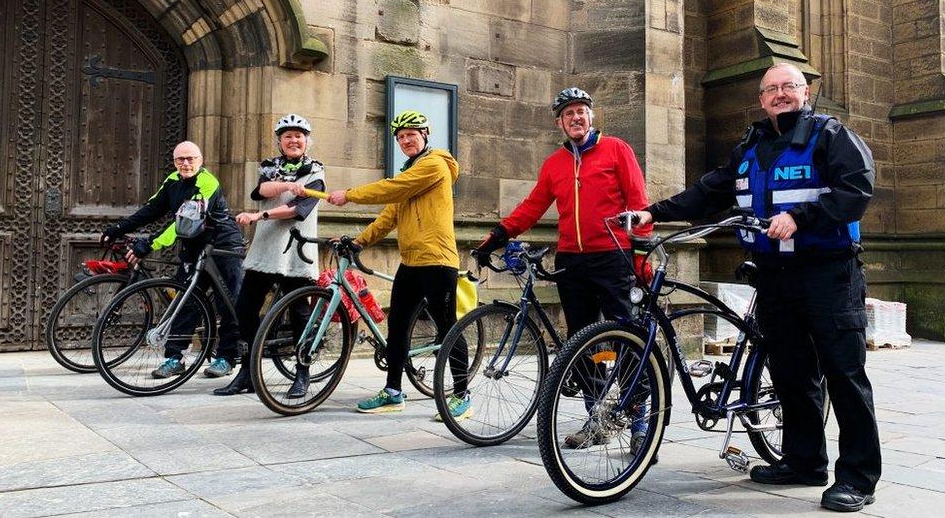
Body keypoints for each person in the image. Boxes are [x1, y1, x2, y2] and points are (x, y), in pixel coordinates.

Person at [630, 63, 880, 513]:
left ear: (804, 92)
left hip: (828, 273)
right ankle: (804, 461)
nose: (780, 95)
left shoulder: (830, 135)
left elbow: (856, 187)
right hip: (774, 276)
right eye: (772, 90)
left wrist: (801, 218)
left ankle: (858, 476)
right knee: (790, 372)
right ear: (762, 99)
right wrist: (654, 212)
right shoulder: (751, 145)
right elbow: (711, 192)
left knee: (844, 373)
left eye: (789, 87)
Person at [473, 87, 652, 448]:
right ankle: (597, 417)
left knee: (627, 338)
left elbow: (639, 204)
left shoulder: (617, 150)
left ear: (592, 116)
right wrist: (498, 234)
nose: (576, 117)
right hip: (572, 260)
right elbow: (533, 206)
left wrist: (640, 258)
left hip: (612, 257)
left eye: (582, 111)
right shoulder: (554, 164)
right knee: (582, 343)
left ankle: (638, 423)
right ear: (559, 123)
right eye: (569, 113)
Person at [326, 110, 470, 418]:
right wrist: (359, 241)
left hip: (438, 260)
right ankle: (393, 392)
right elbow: (388, 217)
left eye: (411, 134)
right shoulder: (409, 174)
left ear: (425, 136)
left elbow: (390, 189)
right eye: (401, 137)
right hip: (411, 262)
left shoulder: (433, 165)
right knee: (398, 326)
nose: (406, 140)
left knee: (447, 327)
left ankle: (462, 393)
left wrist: (349, 195)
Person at [101, 141, 245, 379]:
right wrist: (119, 228)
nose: (186, 164)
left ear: (201, 160)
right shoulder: (172, 181)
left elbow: (186, 220)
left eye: (190, 159)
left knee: (227, 302)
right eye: (180, 160)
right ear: (175, 162)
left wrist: (150, 243)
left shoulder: (207, 183)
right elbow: (151, 209)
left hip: (223, 245)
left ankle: (227, 357)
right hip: (194, 245)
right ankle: (174, 358)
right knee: (184, 302)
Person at [211, 114, 326, 396]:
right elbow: (261, 190)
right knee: (245, 310)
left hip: (297, 252)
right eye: (288, 136)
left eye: (299, 135)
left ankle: (302, 373)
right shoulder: (269, 166)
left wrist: (259, 215)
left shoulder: (316, 171)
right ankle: (248, 372)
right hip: (265, 251)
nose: (294, 140)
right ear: (280, 142)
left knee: (300, 315)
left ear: (307, 141)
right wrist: (287, 185)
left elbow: (297, 210)